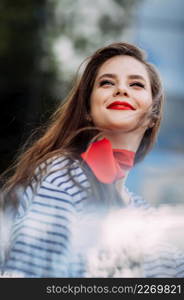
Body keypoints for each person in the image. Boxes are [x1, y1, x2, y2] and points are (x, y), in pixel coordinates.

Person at [1, 42, 183, 278]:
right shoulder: (62, 172)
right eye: (107, 83)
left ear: (152, 116)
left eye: (136, 84)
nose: (121, 89)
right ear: (88, 108)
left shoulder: (145, 217)